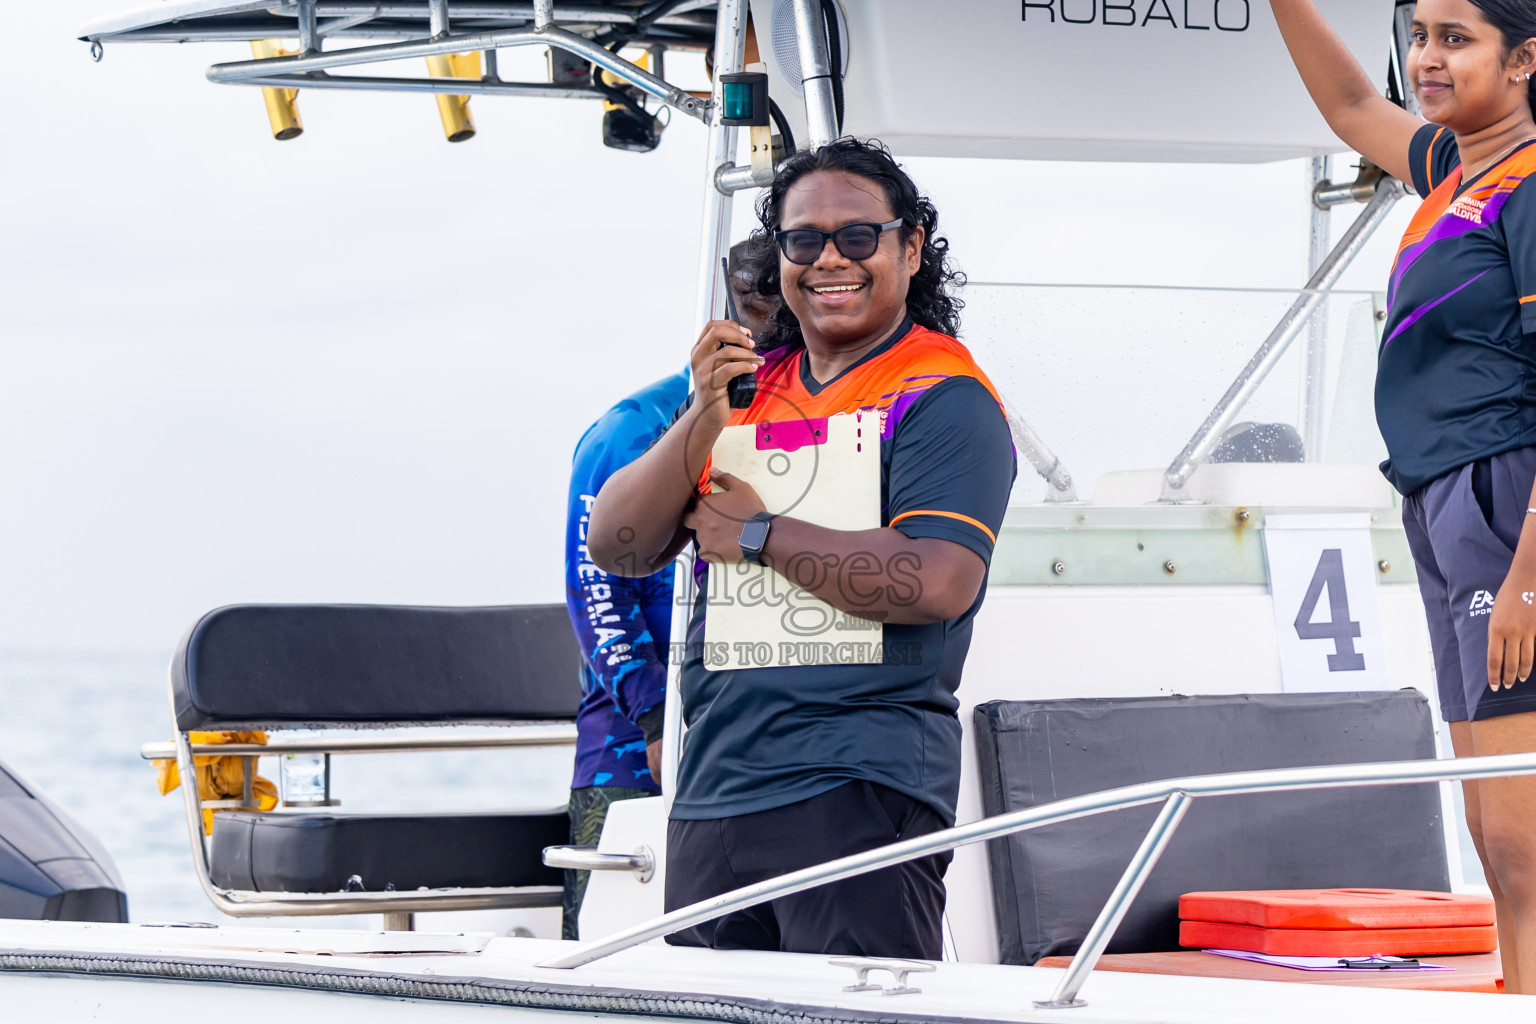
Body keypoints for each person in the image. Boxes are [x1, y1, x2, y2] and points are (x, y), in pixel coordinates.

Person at [586, 137, 1016, 959]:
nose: (830, 259)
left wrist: (757, 534)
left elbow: (940, 581)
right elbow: (619, 545)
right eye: (803, 239)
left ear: (910, 247)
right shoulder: (751, 390)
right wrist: (703, 416)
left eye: (858, 237)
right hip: (715, 789)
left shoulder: (943, 394)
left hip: (857, 784)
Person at [1270, 0, 1536, 992]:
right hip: (1439, 499)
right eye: (1420, 35)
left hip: (1509, 499)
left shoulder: (1530, 185)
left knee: (1520, 827)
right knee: (1490, 821)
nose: (1426, 57)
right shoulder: (1453, 170)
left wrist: (1527, 576)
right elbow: (1347, 102)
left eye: (1456, 39)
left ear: (1524, 61)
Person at [561, 241, 778, 940]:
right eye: (760, 307)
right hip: (631, 758)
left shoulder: (812, 421)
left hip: (750, 750)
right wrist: (657, 719)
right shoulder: (634, 429)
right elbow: (595, 591)